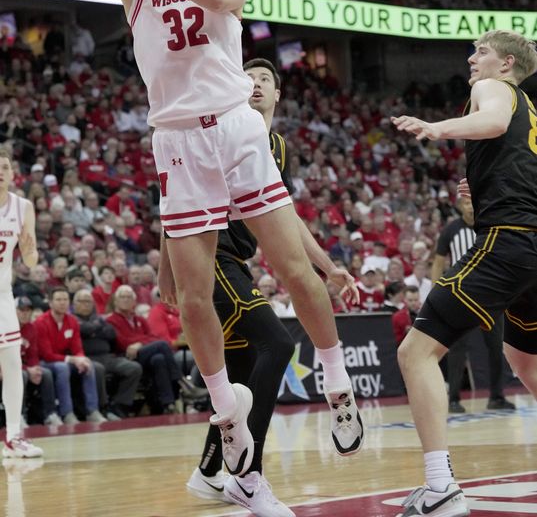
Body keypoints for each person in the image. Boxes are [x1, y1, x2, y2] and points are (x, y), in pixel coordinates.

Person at [12, 0, 363, 477]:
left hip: (235, 128)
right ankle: (226, 415)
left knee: (294, 269)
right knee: (195, 296)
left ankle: (336, 379)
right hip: (177, 141)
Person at [186, 59, 359, 516]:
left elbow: (286, 217)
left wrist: (328, 267)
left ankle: (208, 470)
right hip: (211, 258)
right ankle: (248, 479)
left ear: (278, 94)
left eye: (265, 79)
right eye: (248, 77)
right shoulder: (219, 131)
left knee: (243, 374)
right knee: (278, 344)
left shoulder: (278, 147)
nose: (256, 83)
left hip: (237, 262)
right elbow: (179, 196)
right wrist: (170, 269)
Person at [392, 30, 537, 517]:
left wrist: (435, 127)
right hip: (529, 244)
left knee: (415, 353)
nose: (472, 59)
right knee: (526, 363)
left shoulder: (495, 89)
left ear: (507, 63)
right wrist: (485, 196)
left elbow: (491, 121)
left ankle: (440, 487)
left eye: (482, 51)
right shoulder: (531, 111)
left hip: (509, 242)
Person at [432, 198, 515, 414]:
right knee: (457, 349)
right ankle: (453, 399)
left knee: (496, 347)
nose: (470, 207)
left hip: (491, 295)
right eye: (466, 204)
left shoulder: (490, 225)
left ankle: (497, 397)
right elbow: (438, 262)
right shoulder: (451, 230)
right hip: (460, 295)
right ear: (460, 206)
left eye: (472, 203)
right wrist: (434, 292)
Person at [0, 147, 43, 458]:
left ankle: (13, 437)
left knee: (14, 364)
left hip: (2, 295)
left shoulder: (23, 207)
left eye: (4, 167)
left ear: (12, 173)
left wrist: (29, 252)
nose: (0, 172)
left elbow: (31, 259)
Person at [35, 288, 107, 425]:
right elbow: (47, 355)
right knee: (62, 368)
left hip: (63, 359)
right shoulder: (41, 322)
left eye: (65, 299)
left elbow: (77, 348)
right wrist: (73, 359)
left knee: (88, 364)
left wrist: (81, 359)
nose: (62, 303)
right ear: (50, 303)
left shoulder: (72, 321)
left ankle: (92, 411)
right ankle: (67, 413)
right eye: (58, 300)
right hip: (44, 362)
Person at [106, 285, 182, 414]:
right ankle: (180, 382)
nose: (126, 300)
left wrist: (139, 343)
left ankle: (168, 403)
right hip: (125, 356)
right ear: (115, 301)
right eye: (122, 297)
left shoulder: (139, 319)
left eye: (129, 297)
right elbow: (123, 343)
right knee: (162, 345)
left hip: (141, 354)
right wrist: (142, 341)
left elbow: (153, 337)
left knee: (159, 359)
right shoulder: (111, 320)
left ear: (134, 301)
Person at [72, 289, 143, 419]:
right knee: (98, 369)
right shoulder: (72, 319)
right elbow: (84, 329)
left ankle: (119, 405)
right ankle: (102, 407)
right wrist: (95, 329)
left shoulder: (98, 318)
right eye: (81, 301)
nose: (85, 304)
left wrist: (92, 331)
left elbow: (111, 333)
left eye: (88, 301)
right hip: (87, 358)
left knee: (133, 368)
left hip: (107, 356)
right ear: (74, 304)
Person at [15, 296, 61, 427]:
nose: (25, 313)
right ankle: (18, 416)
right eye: (21, 310)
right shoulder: (6, 328)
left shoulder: (31, 328)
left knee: (45, 373)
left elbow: (33, 354)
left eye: (28, 310)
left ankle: (50, 414)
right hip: (7, 366)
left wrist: (35, 368)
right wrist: (27, 369)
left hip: (23, 365)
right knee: (21, 375)